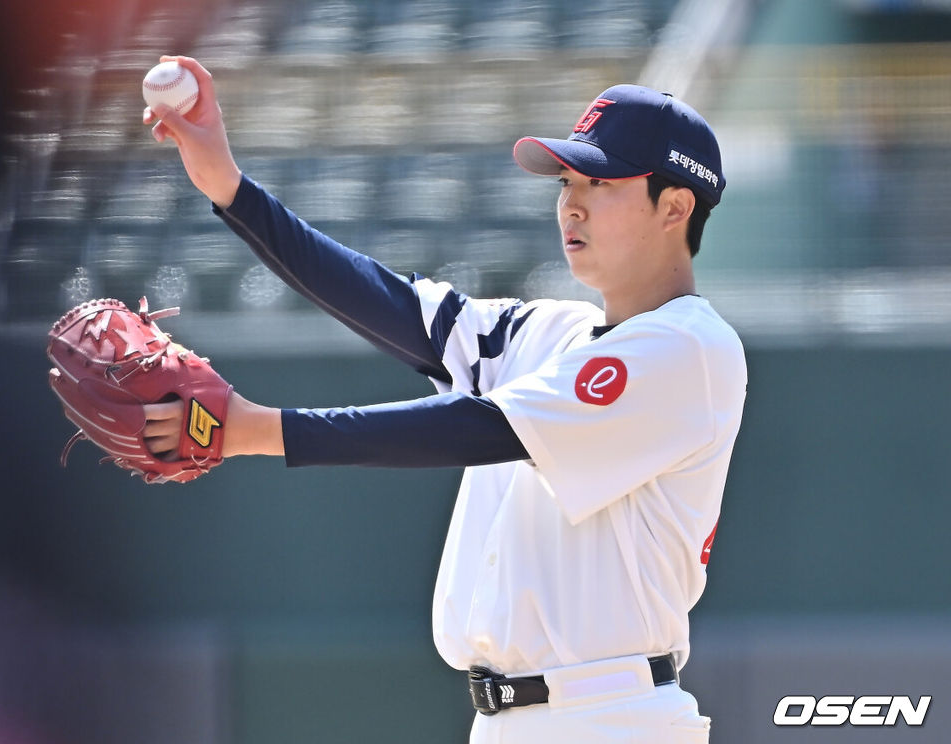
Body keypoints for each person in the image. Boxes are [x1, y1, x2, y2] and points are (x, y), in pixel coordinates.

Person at [142, 55, 746, 743]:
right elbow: (390, 304)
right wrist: (228, 188)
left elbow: (484, 428)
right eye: (567, 180)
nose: (571, 202)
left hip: (612, 716)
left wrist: (256, 429)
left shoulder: (691, 348)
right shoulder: (549, 330)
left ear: (675, 206)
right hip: (508, 722)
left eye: (600, 182)